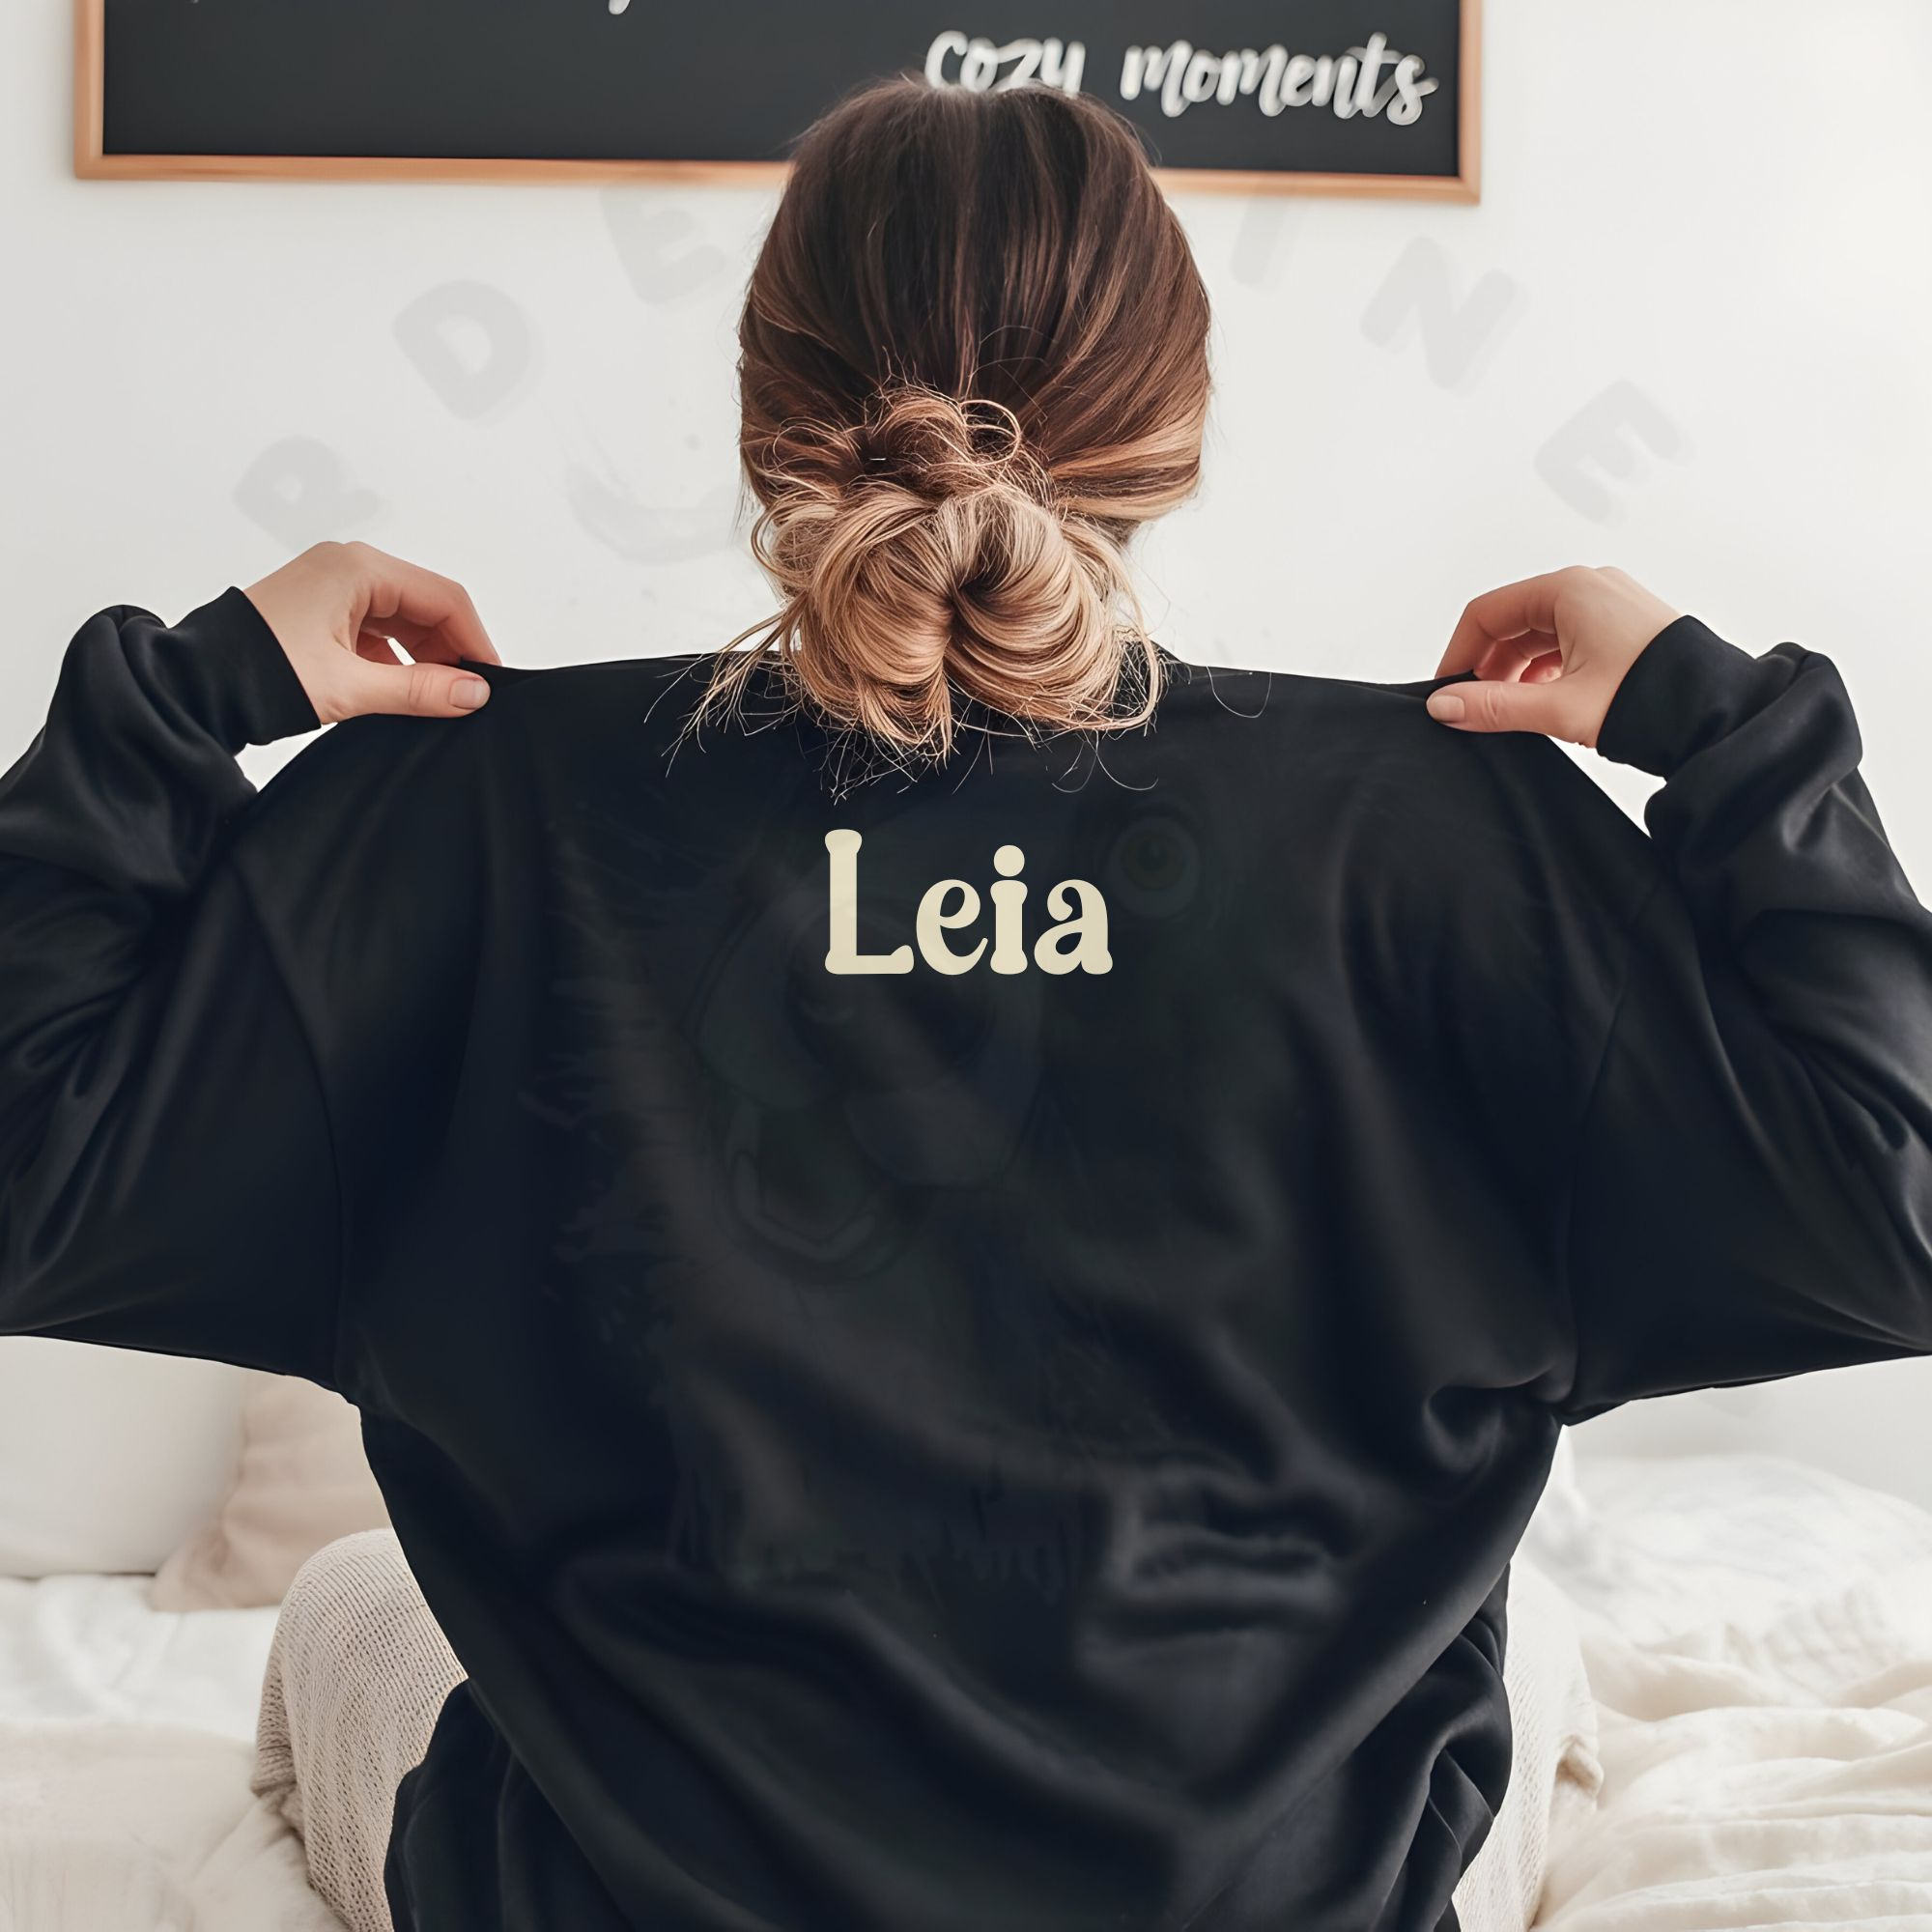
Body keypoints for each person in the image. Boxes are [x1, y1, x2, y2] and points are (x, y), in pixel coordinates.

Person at [5, 71, 1932, 1932]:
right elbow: (1895, 1208)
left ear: (767, 416)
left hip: (621, 1894)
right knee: (1544, 1643)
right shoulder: (1442, 831)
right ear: (1170, 421)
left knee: (347, 1598)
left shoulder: (469, 814)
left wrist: (190, 700)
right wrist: (1723, 725)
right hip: (1282, 1891)